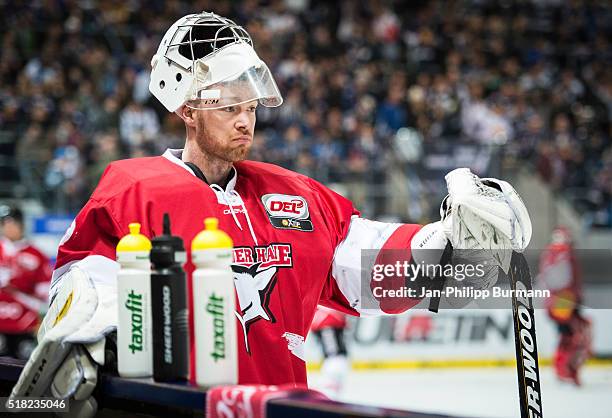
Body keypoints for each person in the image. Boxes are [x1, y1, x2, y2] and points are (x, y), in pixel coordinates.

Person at [10, 11, 532, 417]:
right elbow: (82, 298)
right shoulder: (132, 190)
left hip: (280, 409)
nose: (245, 121)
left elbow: (369, 268)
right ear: (187, 110)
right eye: (229, 107)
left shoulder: (298, 195)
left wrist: (453, 243)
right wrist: (88, 332)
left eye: (251, 107)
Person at [538, 226, 592, 385]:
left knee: (568, 335)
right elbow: (561, 279)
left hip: (558, 301)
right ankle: (566, 369)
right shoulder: (563, 253)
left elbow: (543, 280)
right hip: (564, 301)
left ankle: (564, 368)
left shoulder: (549, 253)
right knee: (574, 335)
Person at [0, 204, 51, 359]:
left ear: (21, 224)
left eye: (12, 223)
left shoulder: (36, 255)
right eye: (4, 223)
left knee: (22, 371)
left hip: (25, 325)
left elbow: (45, 292)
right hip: (1, 325)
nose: (8, 228)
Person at [310, 306, 350, 399]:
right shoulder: (329, 316)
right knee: (333, 389)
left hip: (333, 361)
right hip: (336, 360)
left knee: (331, 390)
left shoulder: (321, 316)